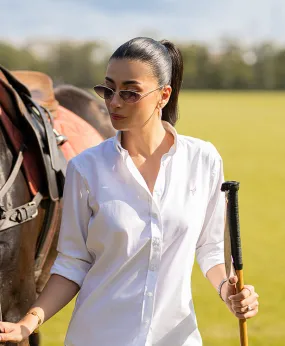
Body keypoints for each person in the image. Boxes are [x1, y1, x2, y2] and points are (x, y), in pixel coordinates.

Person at [0, 37, 259, 346]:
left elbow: (210, 248)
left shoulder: (203, 160)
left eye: (130, 93)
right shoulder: (86, 167)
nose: (114, 102)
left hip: (176, 338)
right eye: (108, 90)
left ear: (163, 96)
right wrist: (27, 324)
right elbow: (73, 262)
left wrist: (227, 292)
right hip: (95, 338)